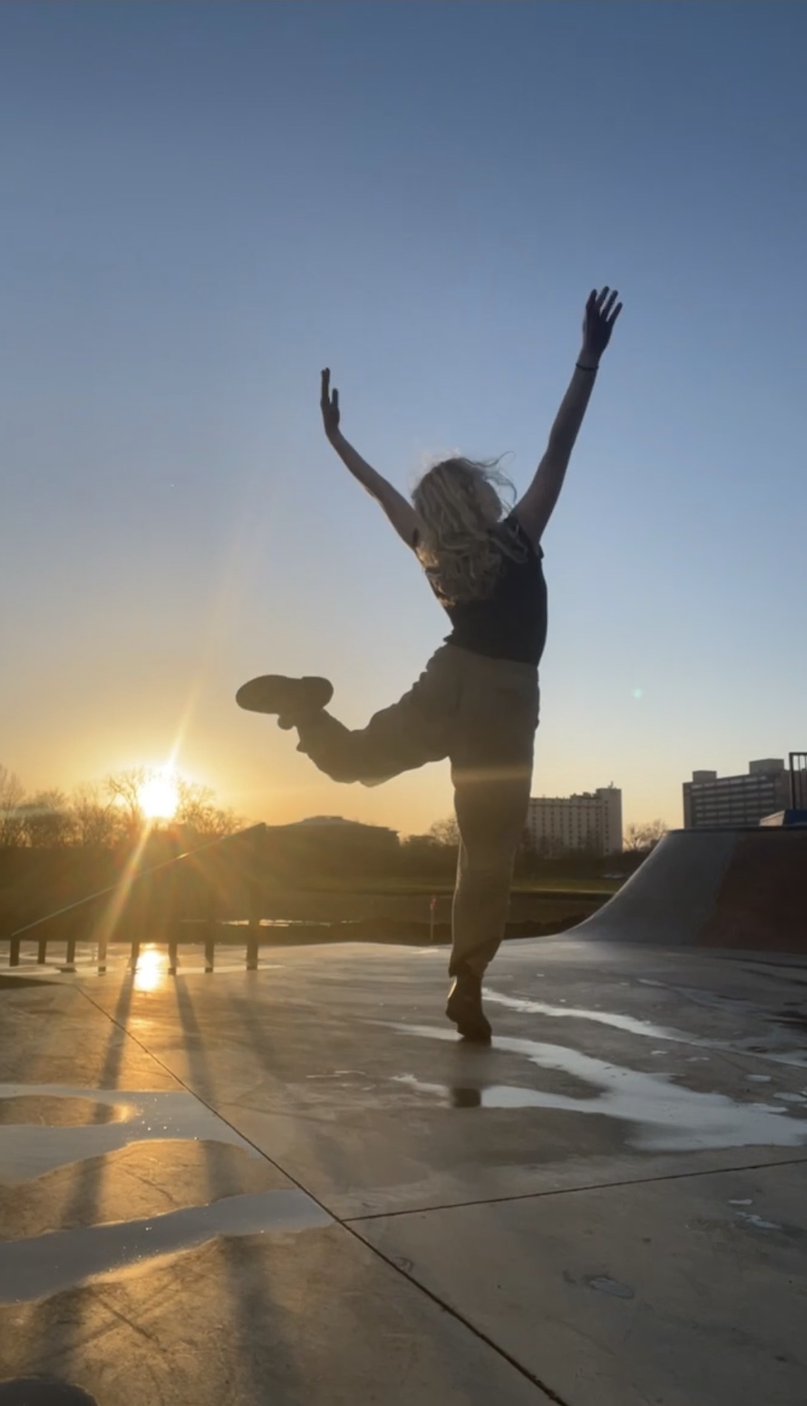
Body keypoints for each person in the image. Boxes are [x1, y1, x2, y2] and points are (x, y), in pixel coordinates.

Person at [237, 288, 622, 1041]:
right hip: (506, 704)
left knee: (359, 762)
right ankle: (467, 980)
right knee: (487, 858)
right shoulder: (518, 536)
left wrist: (336, 443)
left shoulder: (432, 553)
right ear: (472, 500)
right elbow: (559, 446)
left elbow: (382, 493)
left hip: (451, 680)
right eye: (479, 484)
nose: (489, 487)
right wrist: (588, 359)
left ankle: (308, 711)